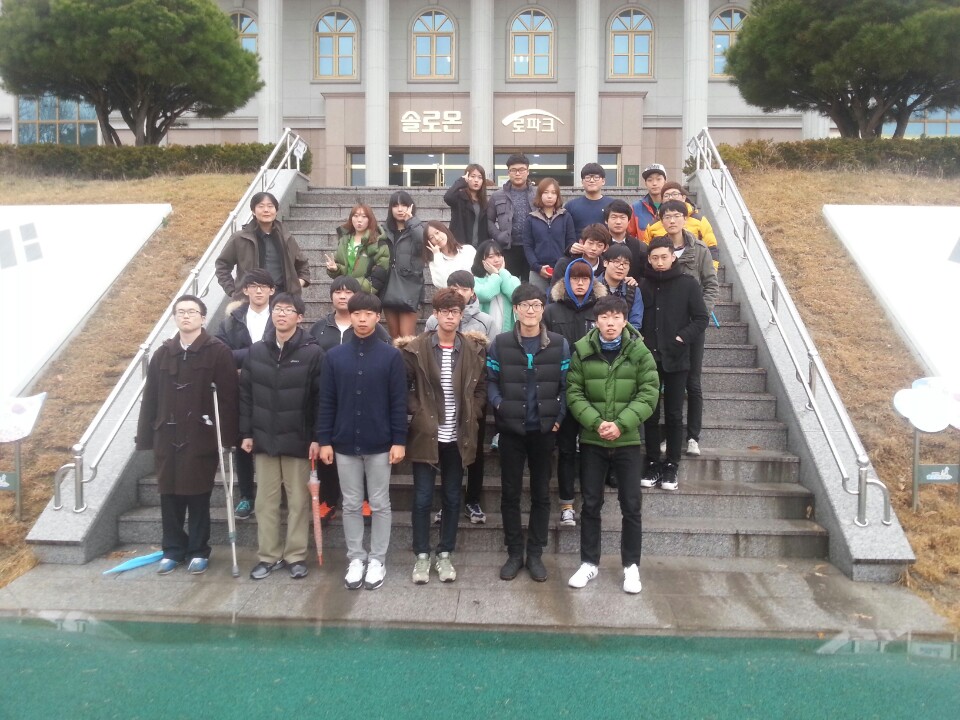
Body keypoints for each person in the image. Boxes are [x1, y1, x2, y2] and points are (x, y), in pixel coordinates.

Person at [137, 295, 239, 576]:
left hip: (200, 435)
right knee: (168, 495)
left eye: (192, 312)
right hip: (166, 436)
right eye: (180, 312)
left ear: (203, 318)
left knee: (198, 495)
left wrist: (227, 437)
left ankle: (198, 550)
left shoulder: (217, 351)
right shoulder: (162, 354)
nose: (186, 316)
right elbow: (150, 397)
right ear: (174, 317)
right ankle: (172, 549)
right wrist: (145, 436)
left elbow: (228, 398)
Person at [566, 295, 659, 594]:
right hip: (592, 441)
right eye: (605, 317)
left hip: (628, 440)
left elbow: (649, 393)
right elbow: (574, 392)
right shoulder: (582, 351)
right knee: (591, 504)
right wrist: (596, 423)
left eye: (616, 317)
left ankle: (631, 566)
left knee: (631, 505)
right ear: (596, 321)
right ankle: (588, 563)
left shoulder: (639, 352)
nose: (610, 323)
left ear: (624, 320)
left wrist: (621, 424)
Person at [396, 288, 488, 584]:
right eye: (445, 311)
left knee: (451, 497)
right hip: (427, 434)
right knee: (422, 498)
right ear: (435, 314)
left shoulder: (472, 349)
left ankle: (445, 553)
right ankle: (422, 555)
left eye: (455, 312)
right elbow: (402, 388)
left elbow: (481, 388)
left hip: (459, 437)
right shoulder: (416, 349)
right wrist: (419, 411)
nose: (450, 317)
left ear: (462, 315)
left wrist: (474, 409)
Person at [317, 292, 407, 591]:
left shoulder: (391, 356)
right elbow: (326, 401)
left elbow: (398, 402)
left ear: (378, 317)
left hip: (380, 443)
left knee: (380, 503)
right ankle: (356, 557)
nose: (363, 319)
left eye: (369, 314)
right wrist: (324, 440)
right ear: (350, 315)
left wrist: (399, 440)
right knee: (352, 503)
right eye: (357, 314)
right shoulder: (334, 357)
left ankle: (377, 559)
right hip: (344, 443)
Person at [487, 284, 570, 583]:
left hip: (544, 431)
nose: (531, 310)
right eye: (525, 305)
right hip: (511, 431)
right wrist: (500, 405)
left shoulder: (559, 344)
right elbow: (491, 380)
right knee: (510, 493)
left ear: (543, 309)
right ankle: (514, 553)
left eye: (536, 304)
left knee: (541, 494)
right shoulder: (500, 343)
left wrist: (559, 417)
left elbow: (567, 385)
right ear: (515, 310)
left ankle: (535, 553)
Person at [240, 293, 324, 581]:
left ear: (300, 317)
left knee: (298, 501)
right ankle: (268, 555)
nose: (282, 314)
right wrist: (246, 432)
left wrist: (317, 437)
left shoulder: (313, 353)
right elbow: (246, 395)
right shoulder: (256, 352)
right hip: (264, 438)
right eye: (278, 309)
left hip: (298, 440)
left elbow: (320, 399)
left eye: (289, 310)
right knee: (265, 502)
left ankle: (295, 555)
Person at [308, 275, 391, 523]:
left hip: (365, 401)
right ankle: (328, 499)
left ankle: (365, 499)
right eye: (337, 291)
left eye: (348, 292)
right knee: (327, 447)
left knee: (360, 449)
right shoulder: (319, 328)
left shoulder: (378, 332)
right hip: (328, 394)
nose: (342, 296)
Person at [639, 238, 709, 492]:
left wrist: (682, 337)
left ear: (673, 257)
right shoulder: (643, 284)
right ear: (649, 259)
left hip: (677, 357)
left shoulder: (688, 284)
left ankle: (672, 464)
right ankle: (652, 462)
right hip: (649, 358)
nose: (659, 262)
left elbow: (701, 318)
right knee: (650, 412)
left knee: (674, 413)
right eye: (654, 258)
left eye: (664, 257)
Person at [426, 270, 495, 525]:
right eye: (454, 288)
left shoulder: (486, 321)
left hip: (474, 394)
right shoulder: (433, 321)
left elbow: (491, 357)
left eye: (464, 289)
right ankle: (446, 502)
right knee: (444, 451)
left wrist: (478, 404)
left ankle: (472, 500)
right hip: (443, 398)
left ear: (472, 291)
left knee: (474, 451)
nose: (459, 293)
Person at [544, 259, 606, 527]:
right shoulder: (551, 311)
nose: (580, 283)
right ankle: (567, 504)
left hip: (595, 389)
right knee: (567, 449)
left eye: (585, 278)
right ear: (566, 281)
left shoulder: (601, 310)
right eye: (575, 278)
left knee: (593, 450)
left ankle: (593, 504)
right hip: (565, 389)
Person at [658, 199, 719, 457]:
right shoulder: (659, 248)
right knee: (665, 381)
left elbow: (711, 285)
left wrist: (700, 314)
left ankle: (693, 436)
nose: (671, 220)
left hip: (693, 327)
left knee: (692, 382)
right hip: (667, 326)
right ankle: (667, 435)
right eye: (666, 216)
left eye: (676, 215)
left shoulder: (700, 249)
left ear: (686, 218)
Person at [215, 268, 276, 520]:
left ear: (272, 290)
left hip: (276, 389)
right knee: (243, 444)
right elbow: (221, 354)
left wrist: (245, 358)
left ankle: (273, 493)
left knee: (274, 442)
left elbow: (286, 349)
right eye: (253, 286)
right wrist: (258, 353)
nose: (258, 291)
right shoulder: (231, 321)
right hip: (242, 390)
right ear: (245, 290)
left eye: (263, 286)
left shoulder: (281, 315)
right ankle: (246, 496)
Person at [215, 191, 310, 299]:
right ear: (253, 211)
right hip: (251, 299)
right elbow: (222, 265)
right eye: (261, 206)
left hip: (282, 298)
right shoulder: (240, 238)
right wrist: (233, 291)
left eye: (270, 206)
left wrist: (297, 284)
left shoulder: (286, 237)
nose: (266, 210)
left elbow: (302, 264)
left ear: (276, 211)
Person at [643, 182, 721, 269]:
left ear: (684, 197)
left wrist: (712, 270)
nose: (670, 198)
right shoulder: (653, 225)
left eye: (674, 194)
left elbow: (711, 248)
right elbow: (645, 251)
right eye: (666, 195)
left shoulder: (699, 220)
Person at [381, 190, 426, 339]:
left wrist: (411, 221)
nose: (400, 209)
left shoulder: (416, 228)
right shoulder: (384, 231)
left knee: (407, 337)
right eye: (395, 205)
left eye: (404, 205)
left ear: (411, 207)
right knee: (394, 336)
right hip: (388, 286)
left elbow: (423, 244)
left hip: (409, 286)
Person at [487, 153, 536, 280]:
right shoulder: (497, 196)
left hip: (532, 247)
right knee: (508, 283)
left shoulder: (537, 194)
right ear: (508, 172)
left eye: (521, 170)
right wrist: (498, 236)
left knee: (530, 284)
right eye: (513, 170)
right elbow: (488, 220)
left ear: (528, 171)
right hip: (508, 247)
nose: (517, 173)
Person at [522, 177, 576, 291]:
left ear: (558, 196)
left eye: (553, 193)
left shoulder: (565, 216)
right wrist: (537, 267)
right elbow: (528, 246)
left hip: (561, 270)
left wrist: (563, 264)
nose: (549, 196)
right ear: (540, 195)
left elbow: (570, 243)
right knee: (537, 299)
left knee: (559, 299)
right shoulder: (531, 218)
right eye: (546, 192)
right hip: (537, 271)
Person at [324, 204, 390, 295]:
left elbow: (380, 274)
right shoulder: (344, 240)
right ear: (351, 218)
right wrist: (335, 269)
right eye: (355, 216)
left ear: (370, 220)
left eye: (364, 216)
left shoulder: (378, 243)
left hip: (365, 295)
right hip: (344, 293)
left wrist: (355, 286)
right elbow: (341, 269)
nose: (359, 220)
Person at [473, 239, 521, 334]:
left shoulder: (513, 279)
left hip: (508, 333)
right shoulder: (475, 280)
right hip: (483, 332)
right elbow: (485, 295)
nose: (496, 260)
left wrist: (502, 273)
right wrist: (495, 276)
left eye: (499, 255)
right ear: (482, 260)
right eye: (491, 257)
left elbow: (515, 297)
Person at [443, 163, 490, 247]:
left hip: (479, 247)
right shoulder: (459, 198)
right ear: (467, 178)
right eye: (473, 176)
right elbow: (448, 197)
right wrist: (461, 181)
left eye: (480, 177)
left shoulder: (483, 202)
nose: (476, 180)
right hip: (460, 246)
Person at [564, 163, 615, 237]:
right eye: (587, 177)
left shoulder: (612, 205)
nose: (592, 180)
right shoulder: (571, 206)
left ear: (603, 181)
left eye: (596, 177)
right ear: (582, 182)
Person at [599, 244, 644, 329]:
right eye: (616, 262)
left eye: (626, 263)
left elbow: (635, 324)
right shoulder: (593, 287)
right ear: (605, 263)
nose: (621, 267)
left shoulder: (632, 290)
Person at [603, 199, 648, 283]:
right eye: (614, 217)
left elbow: (644, 276)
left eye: (622, 217)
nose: (618, 222)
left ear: (629, 221)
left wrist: (636, 283)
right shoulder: (600, 245)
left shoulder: (640, 247)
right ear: (606, 220)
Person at [425, 219, 477, 289]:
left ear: (444, 230)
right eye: (431, 237)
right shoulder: (434, 262)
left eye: (437, 232)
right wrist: (437, 255)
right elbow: (443, 284)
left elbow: (481, 275)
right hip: (452, 295)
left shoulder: (468, 250)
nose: (436, 238)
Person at [627, 163, 667, 242]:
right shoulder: (635, 208)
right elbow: (630, 236)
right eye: (650, 180)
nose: (654, 183)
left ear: (665, 181)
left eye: (658, 179)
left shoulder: (673, 207)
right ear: (645, 183)